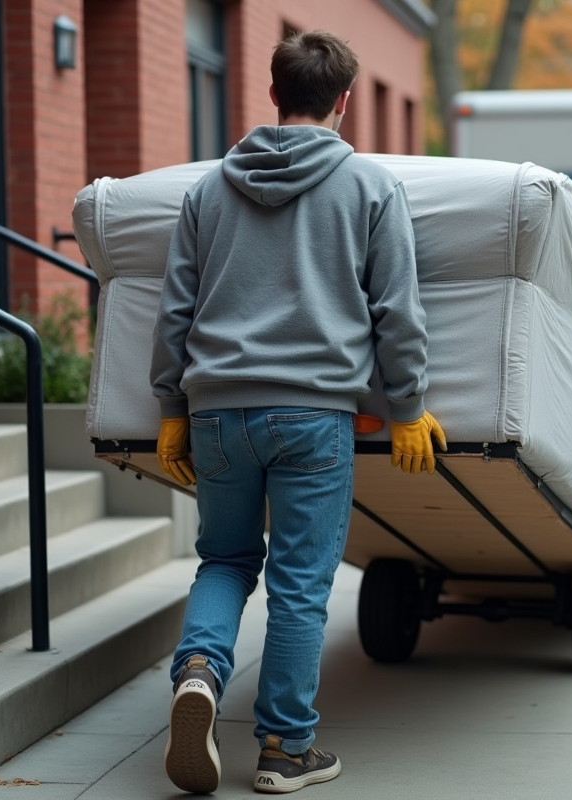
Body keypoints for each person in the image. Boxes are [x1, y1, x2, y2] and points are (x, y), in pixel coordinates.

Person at [149, 29, 446, 795]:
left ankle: (199, 673)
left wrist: (171, 404)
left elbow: (175, 308)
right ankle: (284, 749)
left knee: (224, 559)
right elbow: (398, 314)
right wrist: (409, 405)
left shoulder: (209, 190)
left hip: (216, 413)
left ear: (274, 94)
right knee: (299, 582)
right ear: (345, 102)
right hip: (314, 416)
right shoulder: (371, 189)